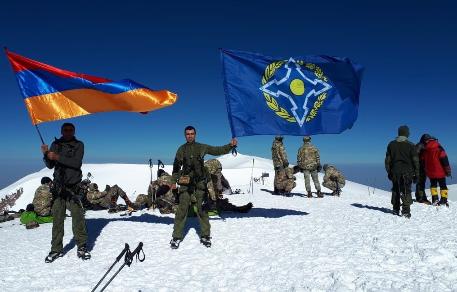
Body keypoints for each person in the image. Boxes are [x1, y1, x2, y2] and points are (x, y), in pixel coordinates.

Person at [169, 125, 237, 249]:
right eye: (188, 134)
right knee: (181, 211)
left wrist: (230, 145)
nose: (190, 136)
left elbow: (217, 150)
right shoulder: (181, 149)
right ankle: (176, 237)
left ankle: (205, 235)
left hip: (199, 184)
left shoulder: (202, 147)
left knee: (202, 211)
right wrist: (173, 181)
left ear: (195, 134)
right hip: (185, 185)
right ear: (185, 135)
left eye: (192, 133)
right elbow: (176, 168)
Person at [41, 122, 90, 262]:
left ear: (74, 131)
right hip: (58, 188)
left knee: (78, 216)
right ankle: (56, 249)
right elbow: (50, 166)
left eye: (70, 130)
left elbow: (76, 163)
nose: (68, 132)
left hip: (73, 188)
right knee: (57, 219)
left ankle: (82, 246)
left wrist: (56, 157)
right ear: (61, 131)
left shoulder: (79, 145)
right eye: (65, 130)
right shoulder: (55, 144)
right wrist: (45, 154)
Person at [385, 125, 419, 218]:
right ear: (406, 133)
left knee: (395, 190)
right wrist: (417, 174)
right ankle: (406, 211)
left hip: (395, 172)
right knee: (406, 191)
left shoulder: (391, 144)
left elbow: (387, 161)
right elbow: (416, 161)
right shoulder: (411, 145)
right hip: (407, 172)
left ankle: (395, 209)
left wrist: (389, 172)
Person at [421, 136, 452, 206]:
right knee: (443, 186)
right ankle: (443, 200)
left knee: (433, 185)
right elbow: (445, 160)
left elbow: (423, 161)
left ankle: (435, 199)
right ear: (435, 140)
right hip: (440, 171)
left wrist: (425, 169)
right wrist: (448, 171)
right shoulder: (439, 148)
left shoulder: (425, 149)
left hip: (430, 172)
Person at [415, 134, 432, 204]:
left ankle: (420, 196)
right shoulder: (420, 145)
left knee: (421, 182)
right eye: (427, 139)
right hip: (420, 167)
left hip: (422, 167)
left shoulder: (422, 145)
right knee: (420, 182)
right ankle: (421, 198)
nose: (428, 141)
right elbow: (415, 156)